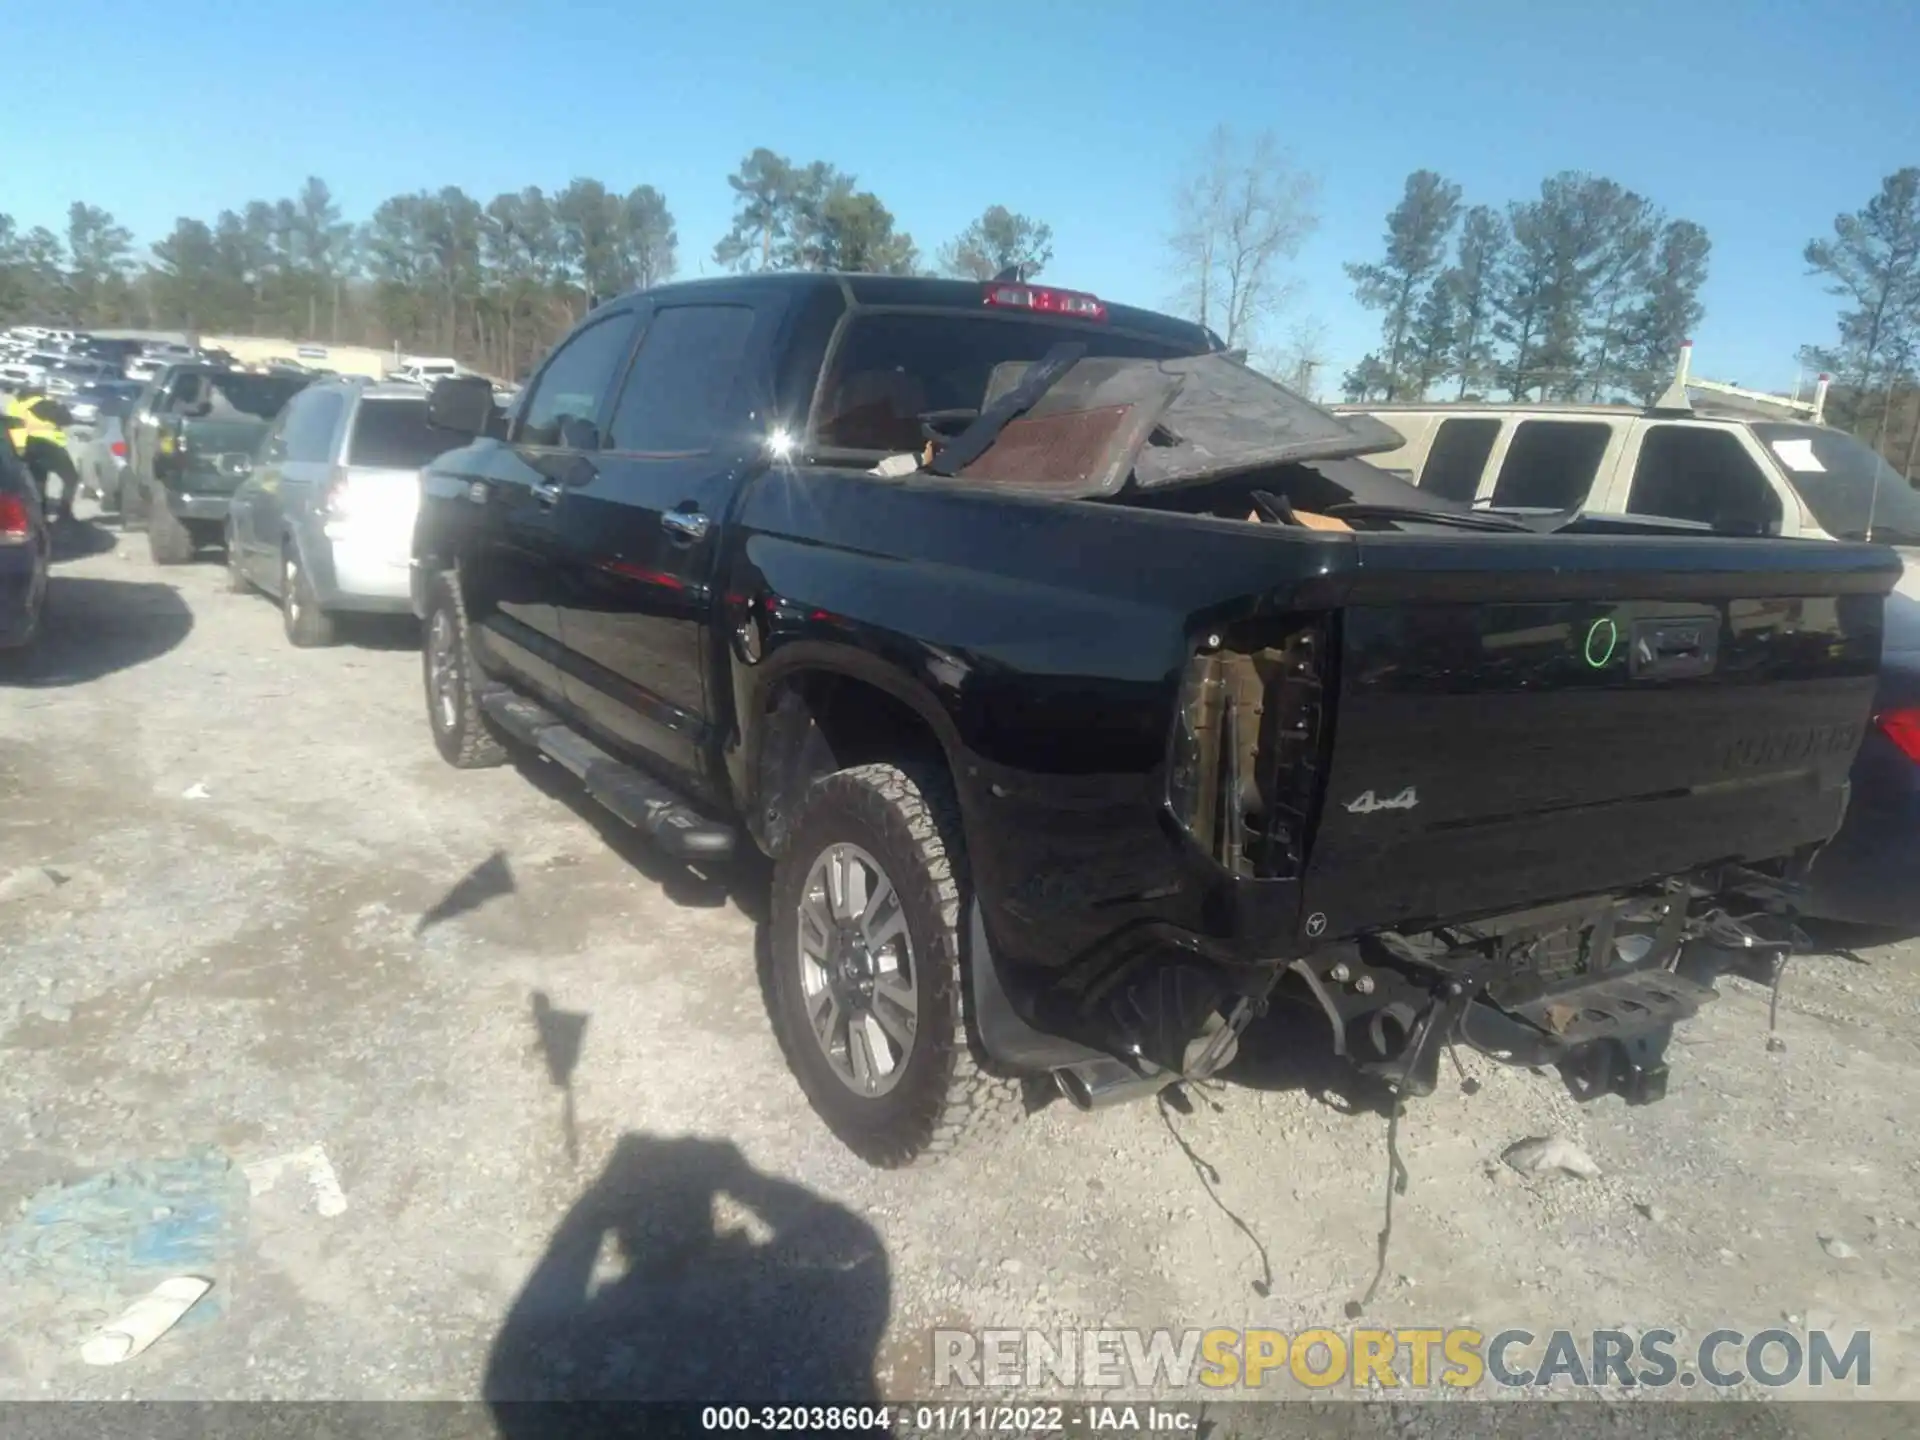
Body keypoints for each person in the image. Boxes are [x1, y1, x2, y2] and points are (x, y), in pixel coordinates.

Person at [2, 386, 79, 523]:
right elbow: (67, 419)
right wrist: (58, 404)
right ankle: (65, 512)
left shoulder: (16, 407)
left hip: (29, 447)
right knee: (71, 478)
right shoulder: (43, 404)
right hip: (51, 446)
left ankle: (39, 516)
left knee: (39, 483)